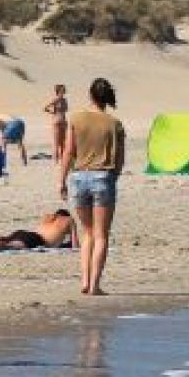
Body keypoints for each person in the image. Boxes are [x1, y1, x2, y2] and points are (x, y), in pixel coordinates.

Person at [58, 78, 126, 296]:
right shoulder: (114, 123)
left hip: (78, 177)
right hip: (103, 177)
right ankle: (95, 284)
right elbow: (120, 158)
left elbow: (68, 151)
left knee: (87, 232)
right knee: (101, 234)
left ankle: (85, 281)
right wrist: (114, 175)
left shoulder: (76, 118)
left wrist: (61, 180)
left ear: (90, 95)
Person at [0, 210, 74, 253]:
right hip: (36, 240)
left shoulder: (48, 218)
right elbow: (75, 245)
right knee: (9, 245)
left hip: (25, 233)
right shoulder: (69, 220)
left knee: (5, 240)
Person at [43, 84, 69, 161]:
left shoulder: (64, 100)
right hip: (57, 121)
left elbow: (65, 110)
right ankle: (56, 161)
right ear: (58, 91)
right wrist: (52, 112)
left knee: (63, 143)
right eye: (62, 89)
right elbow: (45, 108)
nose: (64, 90)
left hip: (64, 122)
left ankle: (62, 160)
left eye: (64, 89)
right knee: (56, 143)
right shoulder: (56, 99)